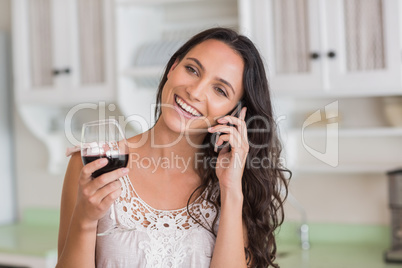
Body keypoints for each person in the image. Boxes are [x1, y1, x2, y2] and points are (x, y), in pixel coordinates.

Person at [56, 27, 291, 268]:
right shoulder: (94, 164)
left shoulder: (230, 186)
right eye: (192, 69)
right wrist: (84, 221)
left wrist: (231, 191)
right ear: (172, 67)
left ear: (234, 112)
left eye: (219, 90)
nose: (195, 91)